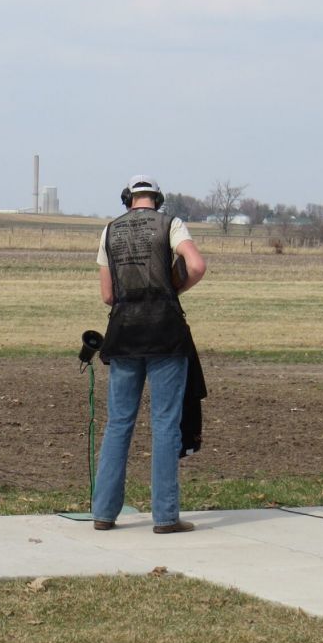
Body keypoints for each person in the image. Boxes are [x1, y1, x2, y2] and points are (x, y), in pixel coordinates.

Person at [91, 175, 206, 533]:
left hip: (124, 333)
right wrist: (175, 289)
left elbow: (108, 296)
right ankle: (165, 517)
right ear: (157, 199)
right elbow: (197, 266)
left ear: (128, 199)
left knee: (118, 423)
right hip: (165, 333)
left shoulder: (109, 231)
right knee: (165, 424)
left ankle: (104, 514)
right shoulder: (171, 224)